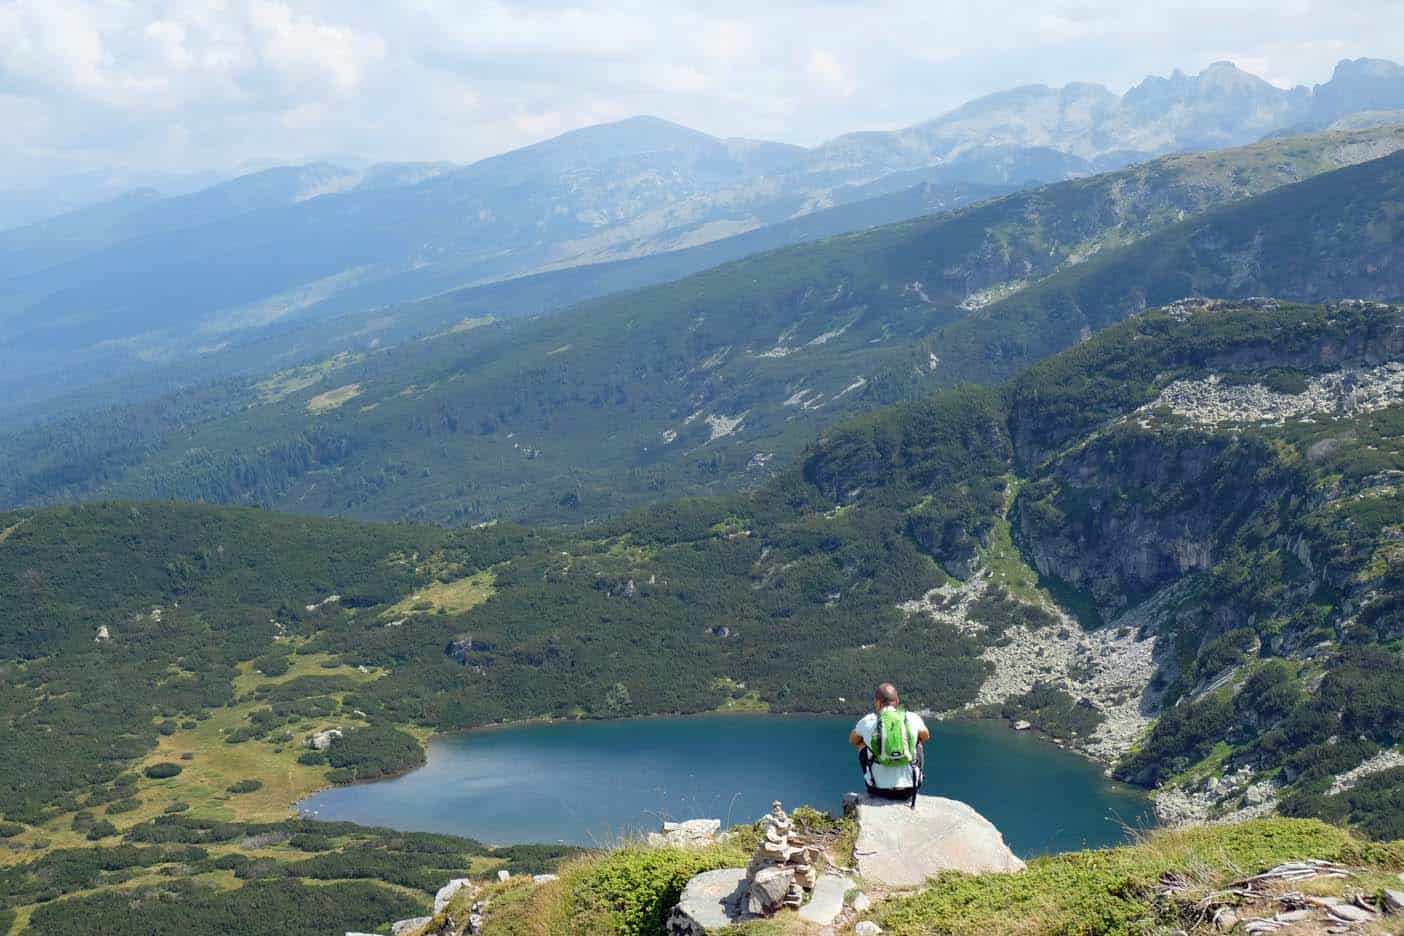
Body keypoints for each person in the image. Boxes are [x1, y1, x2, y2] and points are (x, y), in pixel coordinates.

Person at [849, 682, 930, 806]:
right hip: (909, 790)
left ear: (877, 702)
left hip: (877, 790)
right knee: (917, 742)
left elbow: (853, 740)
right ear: (897, 700)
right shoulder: (911, 718)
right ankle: (915, 776)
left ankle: (873, 777)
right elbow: (926, 736)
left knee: (862, 744)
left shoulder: (868, 721)